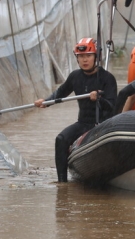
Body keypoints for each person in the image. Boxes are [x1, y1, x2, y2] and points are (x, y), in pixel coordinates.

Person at [34, 38, 117, 183]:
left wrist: (99, 99)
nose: (85, 60)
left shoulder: (107, 78)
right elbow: (60, 93)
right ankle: (62, 183)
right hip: (83, 122)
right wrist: (45, 102)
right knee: (60, 139)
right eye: (81, 57)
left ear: (96, 57)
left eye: (88, 56)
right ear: (77, 58)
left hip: (103, 124)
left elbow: (112, 106)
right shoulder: (75, 76)